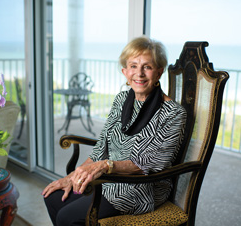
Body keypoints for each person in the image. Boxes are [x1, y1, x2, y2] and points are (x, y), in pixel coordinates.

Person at [42, 36, 187, 226]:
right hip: (106, 180)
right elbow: (102, 145)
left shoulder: (173, 113)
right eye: (133, 66)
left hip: (140, 189)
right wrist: (72, 177)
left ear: (159, 72)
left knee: (68, 217)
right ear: (125, 72)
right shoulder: (121, 100)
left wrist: (104, 166)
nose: (139, 73)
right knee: (52, 197)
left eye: (147, 67)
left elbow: (148, 163)